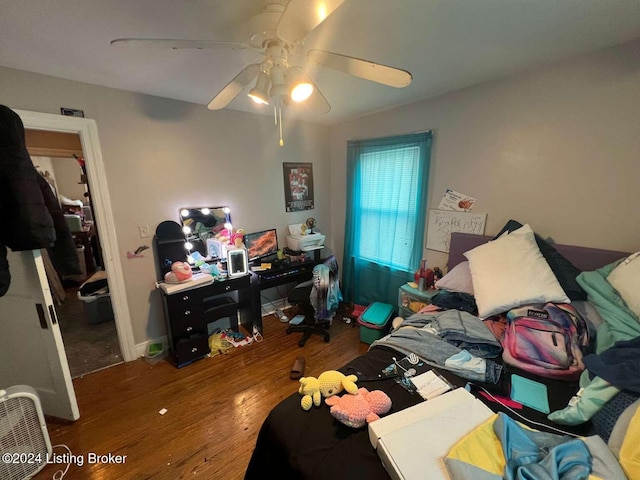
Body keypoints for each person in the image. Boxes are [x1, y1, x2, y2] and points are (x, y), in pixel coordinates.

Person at [0, 104, 80, 296]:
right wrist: (68, 262)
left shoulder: (24, 170)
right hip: (31, 230)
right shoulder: (24, 168)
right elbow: (57, 216)